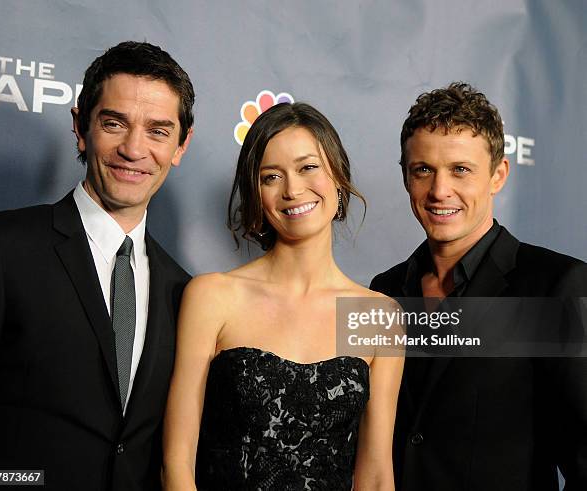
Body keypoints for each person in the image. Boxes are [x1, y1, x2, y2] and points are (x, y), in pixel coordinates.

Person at [0, 41, 194, 491]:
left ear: (180, 146)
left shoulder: (183, 291)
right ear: (80, 127)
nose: (134, 149)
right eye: (114, 123)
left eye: (157, 131)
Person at [162, 102, 403, 490]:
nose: (293, 189)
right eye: (271, 176)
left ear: (338, 176)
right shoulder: (213, 296)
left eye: (308, 168)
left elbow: (375, 475)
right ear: (255, 193)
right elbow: (176, 463)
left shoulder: (376, 315)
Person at [370, 82, 587, 490]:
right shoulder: (383, 291)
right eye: (423, 170)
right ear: (405, 177)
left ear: (498, 175)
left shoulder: (556, 284)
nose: (439, 190)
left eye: (460, 170)